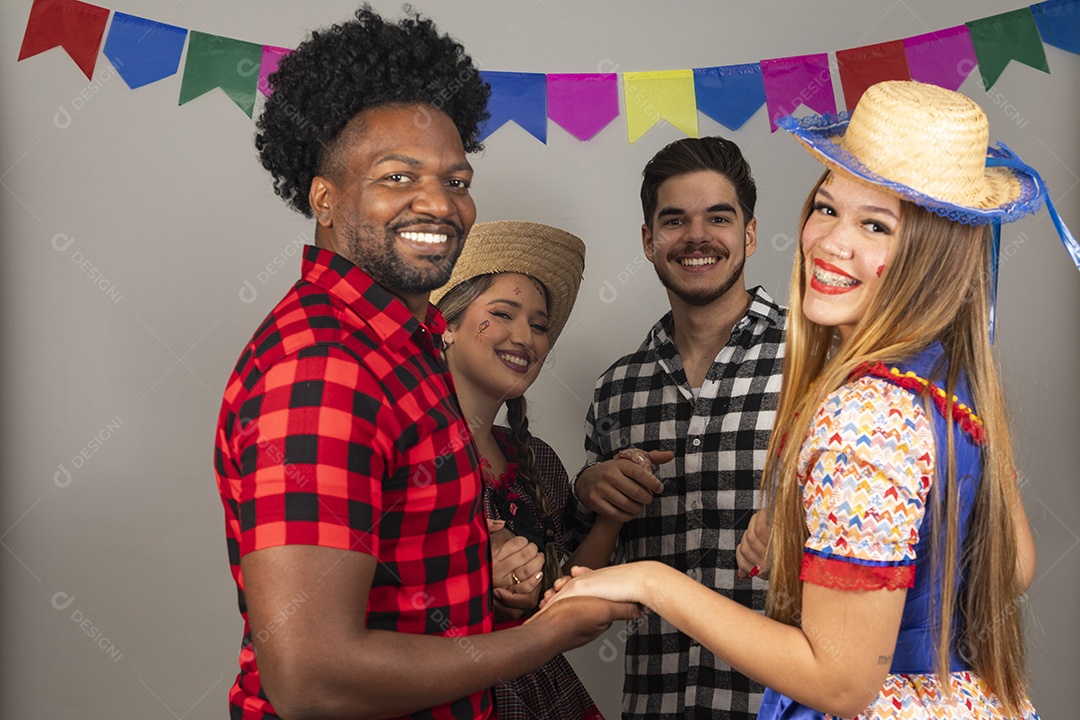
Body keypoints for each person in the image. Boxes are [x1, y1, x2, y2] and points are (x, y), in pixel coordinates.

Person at [543, 80, 1068, 718]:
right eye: (826, 209)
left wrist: (652, 580)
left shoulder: (863, 408)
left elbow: (844, 684)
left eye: (876, 224)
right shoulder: (942, 381)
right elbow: (1008, 565)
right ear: (648, 238)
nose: (828, 243)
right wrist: (807, 538)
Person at [213, 9, 637, 720]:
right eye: (398, 176)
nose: (439, 203)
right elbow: (314, 680)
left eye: (457, 178)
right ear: (324, 196)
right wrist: (545, 635)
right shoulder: (323, 365)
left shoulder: (405, 353)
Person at [564, 135, 786, 718]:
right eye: (674, 220)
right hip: (655, 703)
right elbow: (590, 578)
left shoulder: (822, 359)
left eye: (719, 217)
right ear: (648, 241)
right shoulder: (617, 390)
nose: (696, 236)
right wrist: (591, 489)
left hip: (784, 704)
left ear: (750, 234)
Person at [432, 219, 621, 720]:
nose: (526, 337)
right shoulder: (410, 452)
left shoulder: (538, 463)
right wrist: (476, 580)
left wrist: (612, 516)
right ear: (446, 325)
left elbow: (557, 613)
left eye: (539, 325)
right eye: (502, 313)